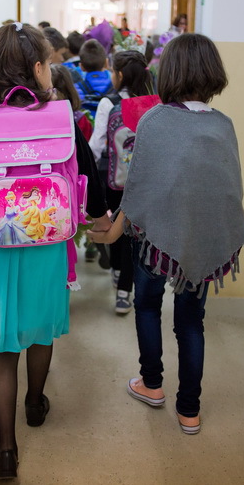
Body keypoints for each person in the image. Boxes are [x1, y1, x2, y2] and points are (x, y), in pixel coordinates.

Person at [0, 22, 110, 480]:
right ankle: (35, 403)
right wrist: (101, 217)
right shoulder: (60, 117)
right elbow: (87, 170)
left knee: (3, 343)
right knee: (39, 329)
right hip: (49, 242)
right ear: (37, 69)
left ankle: (6, 452)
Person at [89, 33, 244, 435]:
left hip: (153, 240)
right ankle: (189, 410)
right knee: (191, 322)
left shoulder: (155, 120)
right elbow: (230, 190)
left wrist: (110, 234)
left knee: (147, 307)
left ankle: (153, 384)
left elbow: (137, 190)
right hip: (201, 239)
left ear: (170, 72)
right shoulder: (223, 125)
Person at [87, 50, 154, 314]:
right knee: (134, 235)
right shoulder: (154, 102)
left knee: (114, 224)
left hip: (113, 178)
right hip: (145, 181)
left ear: (120, 75)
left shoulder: (109, 103)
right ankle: (125, 291)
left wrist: (88, 173)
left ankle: (117, 273)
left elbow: (97, 143)